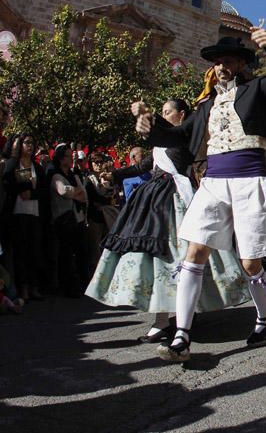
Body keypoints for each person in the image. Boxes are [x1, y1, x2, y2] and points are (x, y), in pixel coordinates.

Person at [132, 25, 266, 362]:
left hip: (250, 182)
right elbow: (178, 137)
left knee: (251, 262)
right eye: (219, 62)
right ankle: (181, 336)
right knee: (194, 254)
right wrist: (150, 125)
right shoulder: (205, 106)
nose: (223, 66)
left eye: (230, 61)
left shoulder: (259, 89)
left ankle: (263, 321)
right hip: (213, 184)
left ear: (241, 64)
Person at [86, 99, 250, 343]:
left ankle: (186, 314)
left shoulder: (184, 136)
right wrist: (116, 174)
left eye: (167, 112)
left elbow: (165, 134)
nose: (163, 115)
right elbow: (143, 166)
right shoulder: (160, 143)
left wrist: (149, 115)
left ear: (181, 115)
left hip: (178, 201)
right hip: (152, 202)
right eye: (161, 112)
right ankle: (161, 320)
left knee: (184, 257)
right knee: (155, 261)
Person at [2, 133, 46, 300]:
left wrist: (30, 190)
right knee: (20, 253)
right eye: (26, 142)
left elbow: (41, 191)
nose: (30, 145)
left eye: (32, 142)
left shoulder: (37, 167)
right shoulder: (13, 164)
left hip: (34, 213)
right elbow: (9, 186)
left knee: (34, 252)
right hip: (16, 214)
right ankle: (23, 288)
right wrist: (27, 185)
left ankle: (34, 286)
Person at [49, 143, 90, 297]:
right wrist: (75, 192)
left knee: (81, 252)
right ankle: (68, 287)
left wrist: (75, 192)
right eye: (68, 155)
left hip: (78, 219)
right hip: (63, 220)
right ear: (60, 158)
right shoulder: (55, 175)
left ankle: (83, 284)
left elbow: (84, 195)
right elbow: (63, 191)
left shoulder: (73, 175)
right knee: (66, 255)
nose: (71, 158)